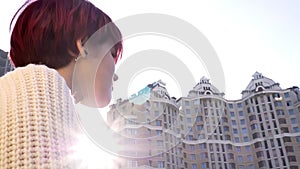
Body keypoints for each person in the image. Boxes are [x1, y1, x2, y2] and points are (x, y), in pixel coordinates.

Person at [0, 0, 122, 168]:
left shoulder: (21, 97)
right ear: (84, 45)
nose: (115, 76)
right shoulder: (34, 105)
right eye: (112, 53)